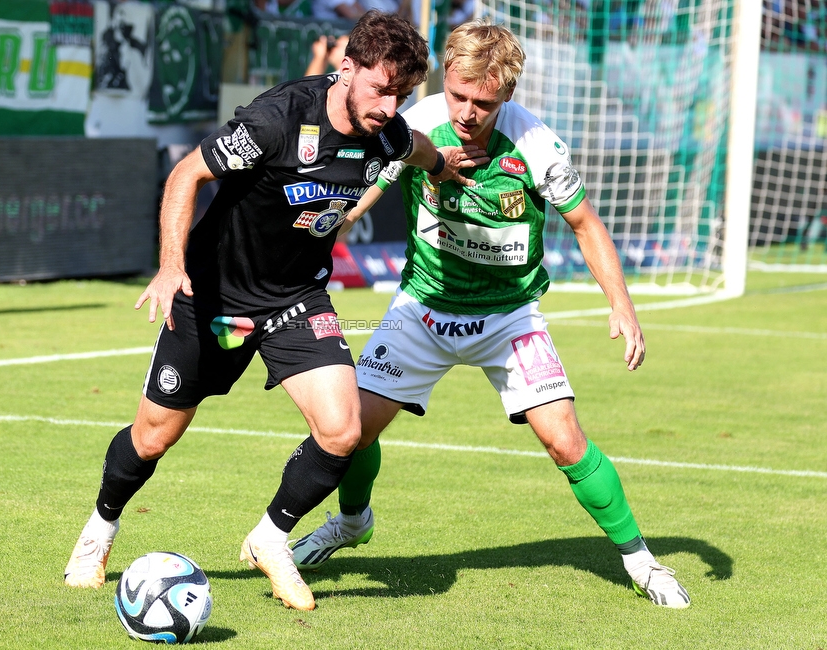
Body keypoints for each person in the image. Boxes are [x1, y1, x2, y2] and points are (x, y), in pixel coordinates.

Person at [63, 11, 484, 612]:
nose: (389, 106)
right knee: (153, 439)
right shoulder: (276, 121)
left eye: (401, 94)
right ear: (346, 69)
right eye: (379, 89)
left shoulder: (386, 131)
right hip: (214, 299)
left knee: (343, 430)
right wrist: (169, 265)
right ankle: (100, 528)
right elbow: (187, 174)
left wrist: (445, 167)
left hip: (296, 299)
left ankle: (270, 537)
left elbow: (413, 147)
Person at [290, 21, 692, 609]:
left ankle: (640, 559)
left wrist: (622, 305)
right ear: (444, 82)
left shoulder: (537, 145)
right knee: (347, 431)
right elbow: (371, 182)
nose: (468, 113)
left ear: (506, 96)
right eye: (458, 96)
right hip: (423, 308)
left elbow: (585, 223)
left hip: (509, 318)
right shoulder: (415, 123)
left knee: (565, 443)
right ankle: (352, 524)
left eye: (485, 103)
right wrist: (345, 215)